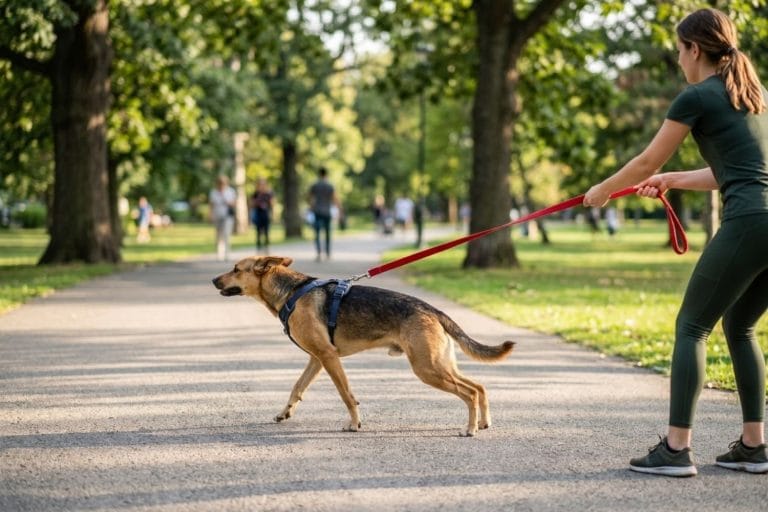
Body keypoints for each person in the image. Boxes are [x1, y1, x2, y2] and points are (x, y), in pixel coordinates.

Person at [583, 8, 768, 477]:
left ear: (695, 49)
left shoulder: (698, 96)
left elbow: (644, 161)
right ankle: (753, 445)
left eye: (679, 50)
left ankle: (676, 448)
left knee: (692, 326)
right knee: (740, 325)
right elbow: (733, 172)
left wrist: (603, 189)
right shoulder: (755, 95)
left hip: (749, 222)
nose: (678, 60)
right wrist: (674, 180)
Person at [308, 167, 341, 261]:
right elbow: (335, 199)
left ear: (319, 174)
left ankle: (319, 253)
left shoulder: (314, 186)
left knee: (317, 233)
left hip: (317, 211)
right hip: (327, 212)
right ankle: (328, 253)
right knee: (327, 233)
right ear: (326, 175)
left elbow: (311, 199)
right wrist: (339, 210)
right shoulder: (330, 186)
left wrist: (310, 208)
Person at [209, 174, 237, 261]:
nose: (221, 185)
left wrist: (226, 200)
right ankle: (219, 254)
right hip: (217, 215)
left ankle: (227, 254)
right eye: (220, 183)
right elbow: (211, 204)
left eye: (223, 183)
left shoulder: (230, 191)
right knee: (218, 235)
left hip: (227, 216)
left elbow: (234, 203)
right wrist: (210, 214)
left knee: (226, 234)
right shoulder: (213, 192)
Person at [250, 178, 274, 252]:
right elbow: (251, 203)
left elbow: (272, 203)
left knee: (266, 231)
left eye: (263, 184)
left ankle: (267, 246)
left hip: (266, 214)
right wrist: (256, 202)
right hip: (258, 214)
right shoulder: (255, 194)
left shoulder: (268, 193)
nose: (262, 186)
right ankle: (259, 247)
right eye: (260, 184)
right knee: (258, 231)